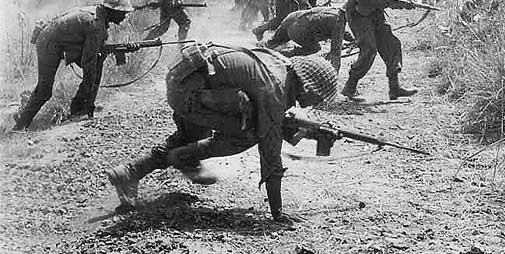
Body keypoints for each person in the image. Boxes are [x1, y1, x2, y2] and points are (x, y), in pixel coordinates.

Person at [105, 45, 338, 224]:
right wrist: (277, 212)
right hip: (190, 93)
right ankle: (185, 157)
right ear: (308, 87)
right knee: (248, 134)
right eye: (318, 98)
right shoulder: (274, 90)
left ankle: (129, 172)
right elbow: (270, 149)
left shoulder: (277, 66)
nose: (315, 104)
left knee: (190, 136)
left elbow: (271, 116)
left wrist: (312, 132)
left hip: (187, 82)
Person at [13, 0, 135, 130]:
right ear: (112, 11)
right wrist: (90, 87)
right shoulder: (95, 23)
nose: (125, 16)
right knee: (44, 91)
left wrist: (119, 50)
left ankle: (81, 107)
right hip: (48, 42)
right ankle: (20, 127)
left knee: (97, 62)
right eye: (122, 12)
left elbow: (94, 48)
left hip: (59, 41)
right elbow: (88, 63)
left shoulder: (98, 15)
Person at [341, 0, 418, 101]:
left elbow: (394, 0)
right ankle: (349, 88)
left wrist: (404, 4)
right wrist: (381, 2)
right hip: (357, 14)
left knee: (392, 44)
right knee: (369, 48)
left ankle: (394, 88)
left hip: (375, 14)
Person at [261, 6, 353, 72]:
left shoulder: (334, 10)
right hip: (298, 30)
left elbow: (343, 32)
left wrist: (353, 39)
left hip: (292, 18)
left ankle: (259, 50)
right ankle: (282, 54)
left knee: (271, 44)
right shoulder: (339, 21)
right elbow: (335, 53)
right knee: (315, 48)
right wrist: (334, 75)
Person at [252, 0, 335, 41]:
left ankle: (264, 31)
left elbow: (310, 7)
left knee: (287, 17)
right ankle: (260, 30)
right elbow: (304, 3)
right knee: (283, 19)